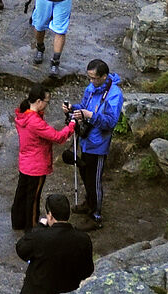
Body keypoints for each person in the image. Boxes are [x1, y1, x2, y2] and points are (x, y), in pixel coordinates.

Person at [9, 85, 70, 232]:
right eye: (46, 101)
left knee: (21, 193)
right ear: (38, 101)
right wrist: (72, 125)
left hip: (25, 162)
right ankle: (31, 228)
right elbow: (58, 137)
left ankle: (18, 222)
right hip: (37, 166)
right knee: (33, 198)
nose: (47, 105)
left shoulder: (22, 115)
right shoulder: (35, 122)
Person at [69, 60, 122, 227]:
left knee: (95, 180)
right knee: (85, 174)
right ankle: (88, 202)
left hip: (99, 145)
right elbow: (84, 107)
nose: (91, 82)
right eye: (89, 77)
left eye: (94, 78)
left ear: (104, 77)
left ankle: (96, 216)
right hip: (85, 140)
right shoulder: (91, 89)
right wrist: (73, 108)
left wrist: (90, 115)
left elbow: (111, 122)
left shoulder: (114, 94)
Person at [15, 193, 95, 293]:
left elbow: (21, 248)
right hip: (69, 290)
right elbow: (88, 270)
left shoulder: (40, 237)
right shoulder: (83, 239)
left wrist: (40, 226)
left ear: (51, 216)